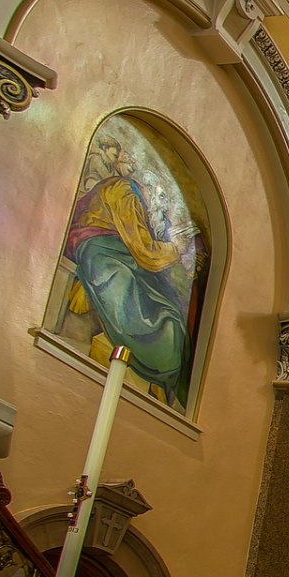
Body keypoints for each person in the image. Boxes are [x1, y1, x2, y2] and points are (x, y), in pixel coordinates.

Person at [59, 133, 207, 408]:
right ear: (149, 189)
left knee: (170, 310)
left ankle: (162, 371)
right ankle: (158, 361)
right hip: (100, 253)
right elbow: (145, 251)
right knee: (158, 319)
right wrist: (176, 248)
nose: (161, 208)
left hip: (121, 256)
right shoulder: (125, 191)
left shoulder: (134, 197)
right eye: (161, 200)